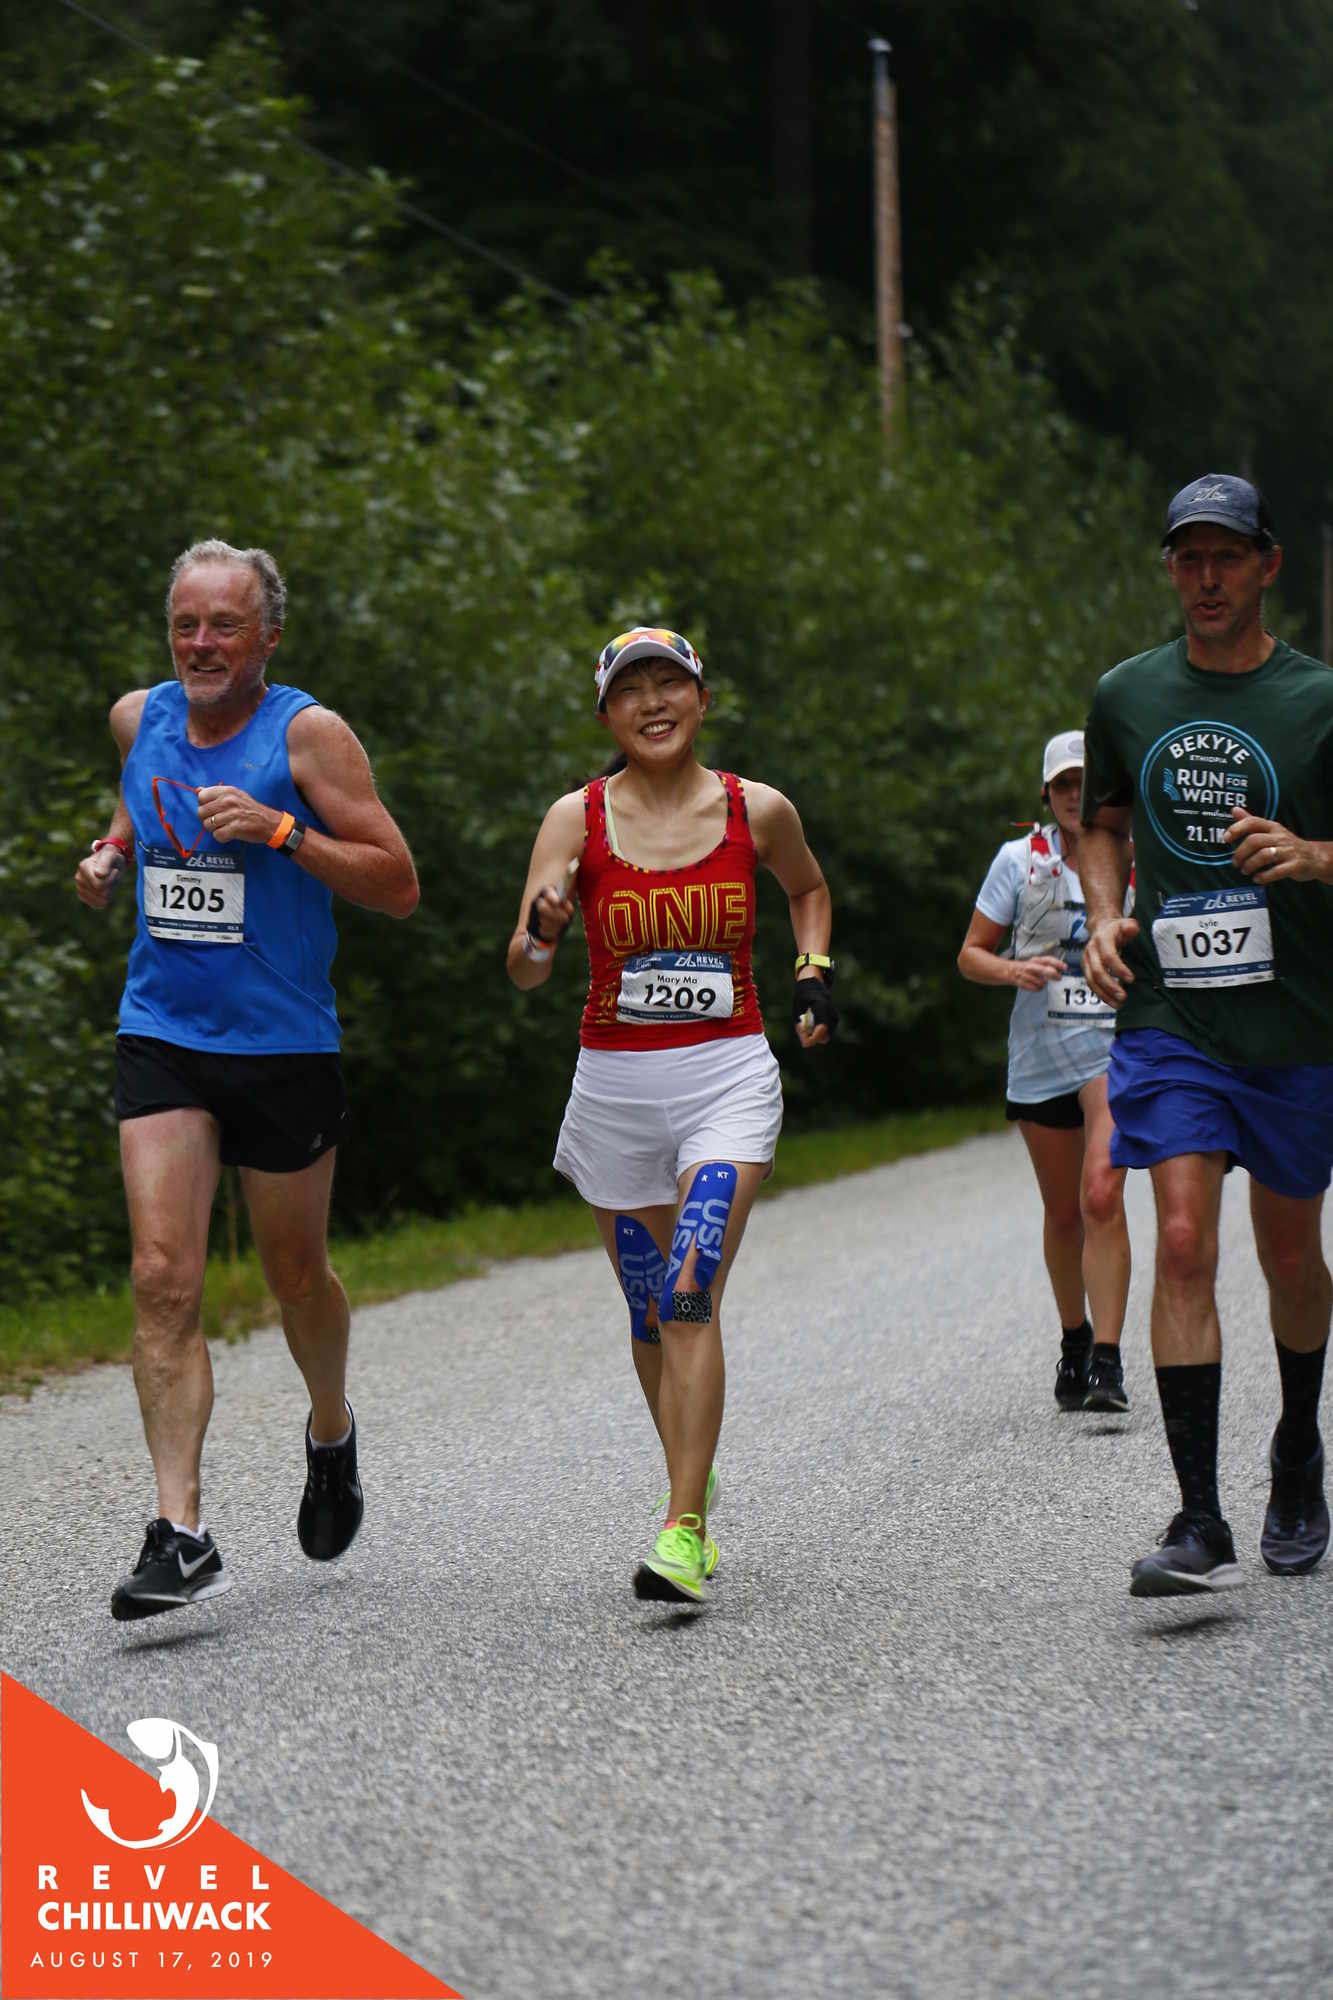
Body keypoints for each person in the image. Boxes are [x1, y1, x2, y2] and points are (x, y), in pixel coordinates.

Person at [74, 539, 419, 1621]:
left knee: (295, 1277)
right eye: (185, 624)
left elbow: (397, 883)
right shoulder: (139, 716)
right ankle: (181, 1533)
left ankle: (330, 1427)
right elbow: (141, 795)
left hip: (281, 1044)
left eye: (224, 624)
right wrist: (113, 851)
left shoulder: (307, 735)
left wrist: (282, 831)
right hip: (163, 1028)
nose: (202, 643)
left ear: (268, 634)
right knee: (161, 1276)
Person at [506, 625, 837, 1606]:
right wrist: (541, 931)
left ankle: (684, 1530)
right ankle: (692, 1468)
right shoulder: (574, 818)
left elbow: (808, 888)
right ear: (606, 714)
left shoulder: (754, 809)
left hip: (725, 1081)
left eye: (669, 684)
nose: (652, 703)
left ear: (701, 699)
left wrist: (811, 972)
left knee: (689, 1292)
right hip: (614, 1094)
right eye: (630, 690)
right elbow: (522, 971)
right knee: (649, 1311)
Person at [1080, 474, 1333, 1597]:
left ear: (1267, 564)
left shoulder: (1318, 699)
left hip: (1295, 1020)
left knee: (1290, 1256)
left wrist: (1314, 856)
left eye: (1227, 556)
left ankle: (1297, 1446)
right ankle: (1197, 1518)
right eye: (1188, 558)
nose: (1207, 577)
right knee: (1181, 1239)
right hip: (1170, 1013)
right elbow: (1101, 821)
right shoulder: (1127, 693)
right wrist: (1102, 915)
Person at [958, 734, 1132, 1412]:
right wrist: (1013, 969)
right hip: (1039, 1055)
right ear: (1045, 793)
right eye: (1063, 783)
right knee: (1063, 1213)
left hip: (1112, 1049)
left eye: (1085, 782)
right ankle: (1074, 1339)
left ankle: (1108, 1362)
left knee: (1101, 1196)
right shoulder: (1019, 861)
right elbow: (970, 955)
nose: (1073, 794)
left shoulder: (1134, 856)